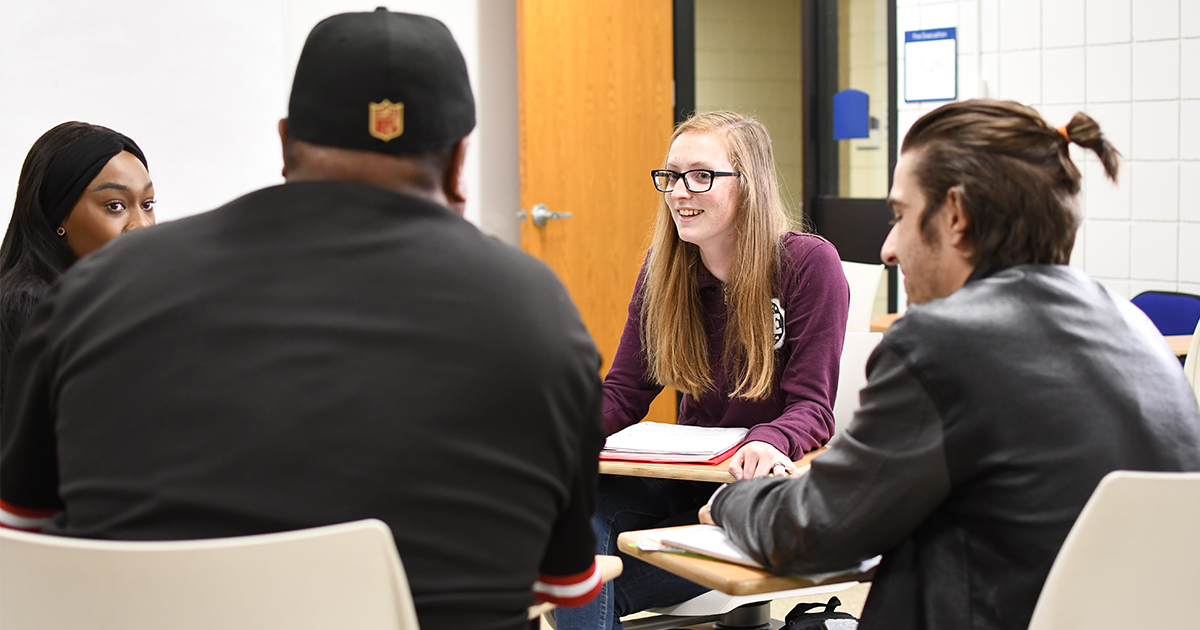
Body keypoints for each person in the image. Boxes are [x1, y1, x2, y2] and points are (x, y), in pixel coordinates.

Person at [0, 10, 603, 630]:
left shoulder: (91, 294)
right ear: (457, 163)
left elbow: (26, 542)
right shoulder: (542, 320)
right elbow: (563, 582)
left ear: (286, 143)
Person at [701, 99, 1200, 630]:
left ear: (956, 215)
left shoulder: (942, 342)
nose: (888, 248)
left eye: (899, 216)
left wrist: (737, 498)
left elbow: (814, 531)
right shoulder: (1137, 329)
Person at [557, 111, 849, 630]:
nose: (678, 193)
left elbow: (813, 407)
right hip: (686, 485)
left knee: (580, 593)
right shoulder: (663, 270)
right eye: (670, 176)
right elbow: (624, 393)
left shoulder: (807, 264)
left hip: (758, 496)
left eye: (701, 175)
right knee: (585, 507)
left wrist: (771, 441)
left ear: (750, 184)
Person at [0, 122, 154, 408]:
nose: (141, 226)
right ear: (57, 217)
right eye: (115, 205)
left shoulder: (107, 302)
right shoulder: (30, 307)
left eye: (147, 204)